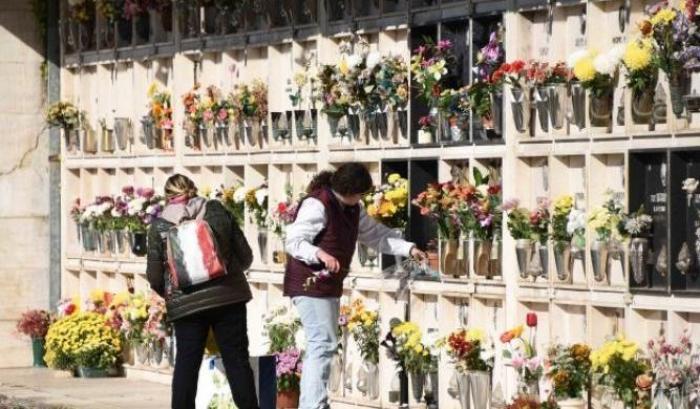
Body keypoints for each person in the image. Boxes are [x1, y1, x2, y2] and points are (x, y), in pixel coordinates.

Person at [284, 162, 426, 409]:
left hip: (328, 284)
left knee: (323, 343)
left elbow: (376, 235)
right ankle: (313, 405)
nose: (362, 198)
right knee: (322, 343)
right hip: (310, 283)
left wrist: (408, 248)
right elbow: (294, 241)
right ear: (352, 190)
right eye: (361, 194)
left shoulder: (351, 208)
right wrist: (321, 255)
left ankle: (313, 403)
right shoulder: (318, 204)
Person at [146, 174, 259, 409]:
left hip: (186, 304)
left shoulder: (159, 226)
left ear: (168, 197)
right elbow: (245, 255)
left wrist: (173, 293)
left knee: (187, 364)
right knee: (237, 361)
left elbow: (155, 276)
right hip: (228, 297)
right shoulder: (216, 210)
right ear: (194, 189)